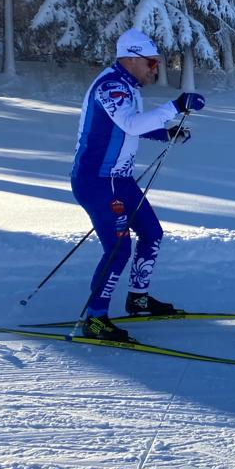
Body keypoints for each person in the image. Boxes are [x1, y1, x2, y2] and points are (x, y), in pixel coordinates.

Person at [70, 28, 206, 342]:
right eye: (151, 63)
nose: (154, 69)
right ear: (131, 58)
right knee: (118, 250)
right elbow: (131, 123)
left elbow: (130, 127)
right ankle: (95, 319)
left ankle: (138, 298)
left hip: (121, 181)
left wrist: (166, 133)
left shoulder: (128, 86)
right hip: (97, 182)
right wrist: (177, 105)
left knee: (152, 233)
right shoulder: (110, 86)